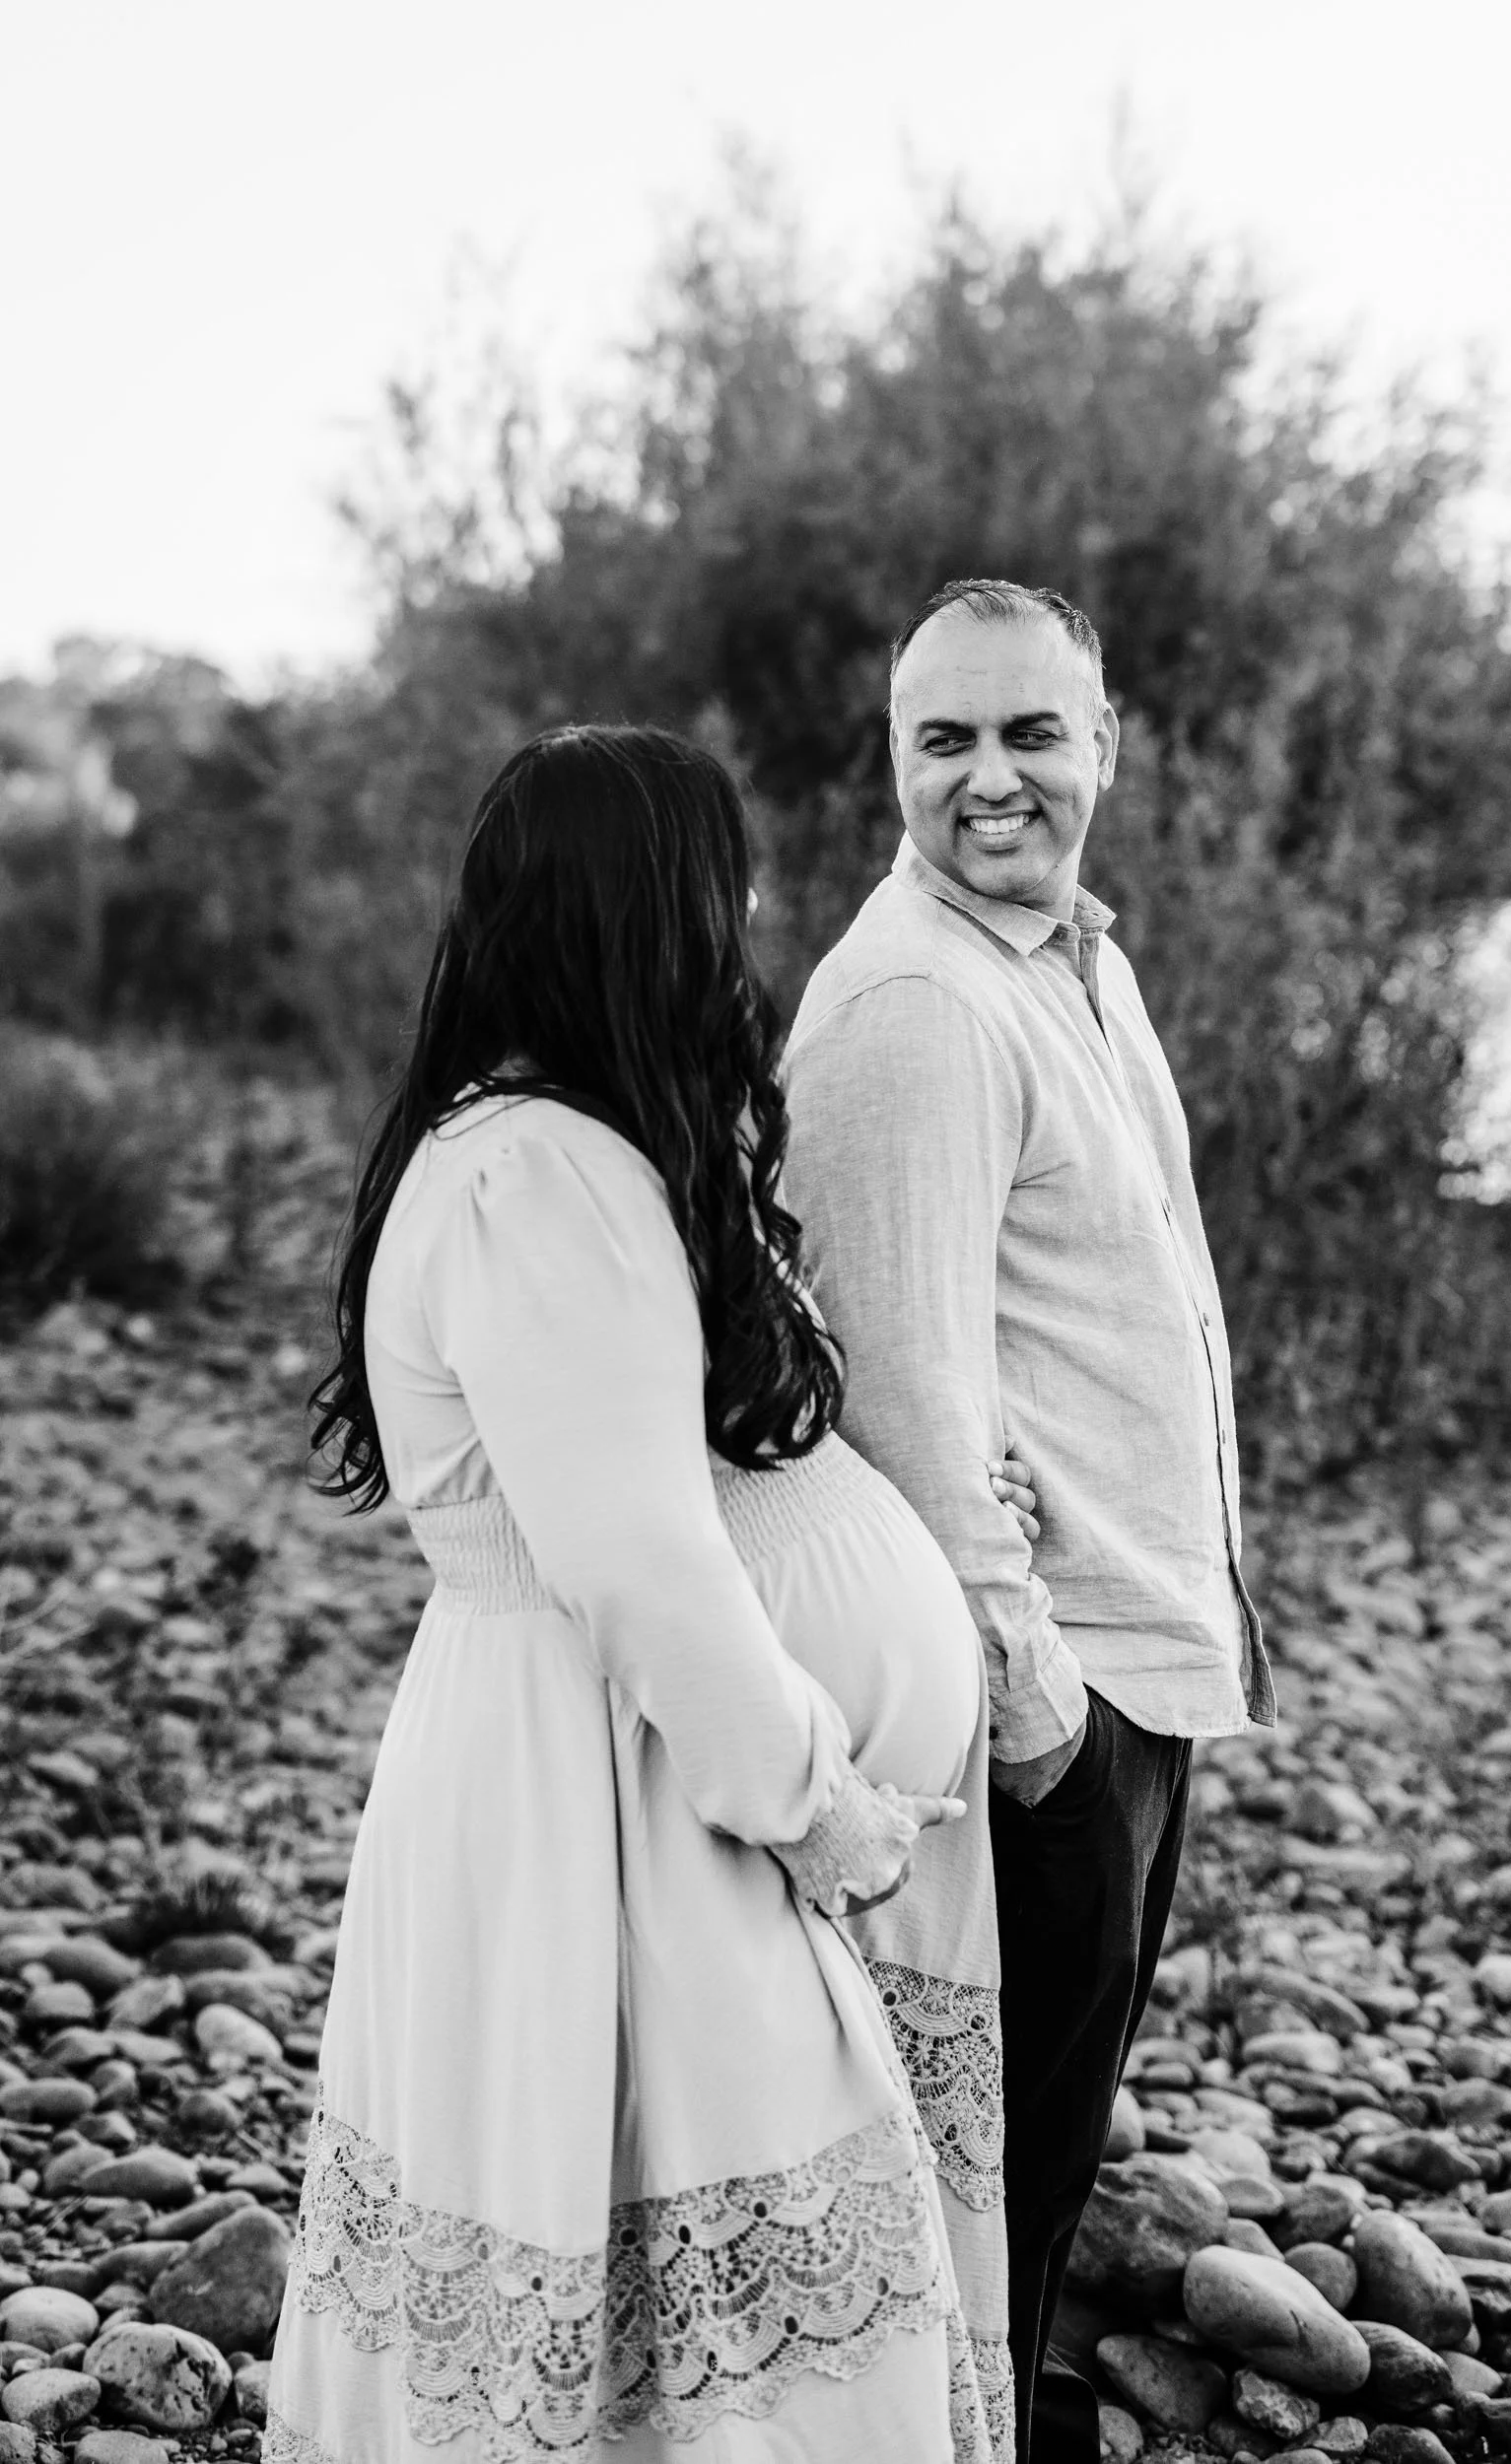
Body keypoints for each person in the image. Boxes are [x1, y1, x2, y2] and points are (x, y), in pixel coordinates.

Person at [266, 723, 999, 2464]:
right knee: (694, 2282)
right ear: (650, 907)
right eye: (721, 881)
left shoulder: (572, 1147)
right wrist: (811, 1803)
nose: (742, 914)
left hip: (627, 1758)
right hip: (614, 1783)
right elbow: (634, 1559)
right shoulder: (537, 1173)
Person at [782, 580, 1277, 2463]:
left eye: (1028, 733)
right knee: (978, 2164)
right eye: (943, 739)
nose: (989, 778)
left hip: (1140, 1647)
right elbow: (895, 1392)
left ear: (1105, 744)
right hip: (1044, 1691)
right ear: (893, 759)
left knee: (1043, 2154)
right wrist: (1037, 1706)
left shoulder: (1071, 953)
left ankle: (1002, 2416)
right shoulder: (912, 1004)